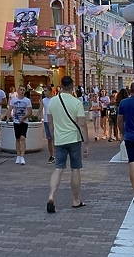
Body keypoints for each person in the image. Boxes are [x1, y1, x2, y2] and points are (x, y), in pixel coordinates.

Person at [46, 75, 88, 213]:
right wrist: (86, 144)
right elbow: (82, 124)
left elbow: (50, 122)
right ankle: (76, 200)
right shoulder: (76, 103)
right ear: (72, 86)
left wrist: (53, 135)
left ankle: (51, 196)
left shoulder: (53, 102)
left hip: (59, 140)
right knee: (75, 169)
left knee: (58, 168)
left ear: (60, 85)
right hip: (74, 139)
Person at [6, 85, 32, 165]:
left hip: (24, 122)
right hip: (16, 121)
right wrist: (7, 117)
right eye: (21, 89)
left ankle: (22, 156)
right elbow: (10, 109)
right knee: (17, 138)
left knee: (22, 137)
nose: (22, 91)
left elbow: (30, 112)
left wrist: (24, 118)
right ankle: (18, 155)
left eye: (23, 90)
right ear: (18, 90)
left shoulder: (27, 101)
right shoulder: (13, 100)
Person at [40, 87, 55, 163]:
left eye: (46, 91)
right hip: (46, 121)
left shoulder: (55, 99)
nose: (44, 92)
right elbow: (40, 109)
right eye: (44, 91)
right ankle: (51, 155)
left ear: (50, 91)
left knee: (55, 138)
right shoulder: (43, 100)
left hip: (54, 121)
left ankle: (57, 154)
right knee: (49, 139)